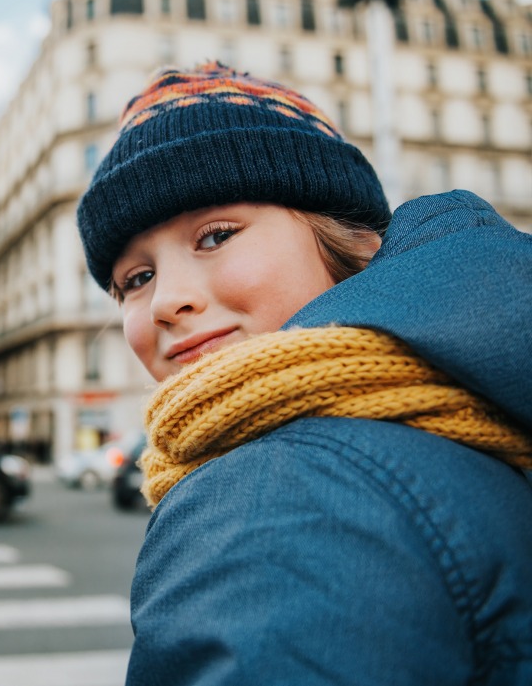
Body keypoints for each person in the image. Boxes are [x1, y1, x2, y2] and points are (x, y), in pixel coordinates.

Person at [76, 62, 532, 685]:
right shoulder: (472, 402)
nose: (164, 301)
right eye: (136, 278)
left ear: (348, 239)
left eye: (215, 236)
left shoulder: (271, 487)